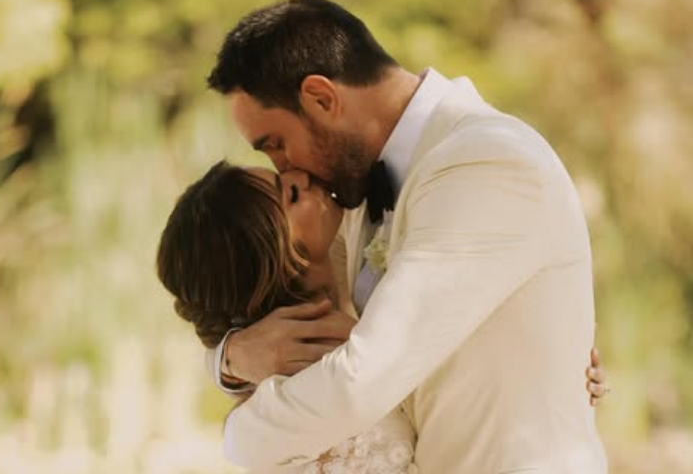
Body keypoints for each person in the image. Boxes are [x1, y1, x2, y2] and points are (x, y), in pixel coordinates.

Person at [206, 0, 610, 473]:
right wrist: (230, 359)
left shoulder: (487, 159)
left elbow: (362, 378)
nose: (283, 168)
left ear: (321, 98)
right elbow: (273, 308)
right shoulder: (347, 195)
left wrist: (239, 436)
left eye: (276, 144)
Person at [156, 161, 607, 474]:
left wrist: (551, 353)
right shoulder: (313, 377)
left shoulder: (354, 254)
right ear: (278, 254)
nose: (298, 174)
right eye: (287, 193)